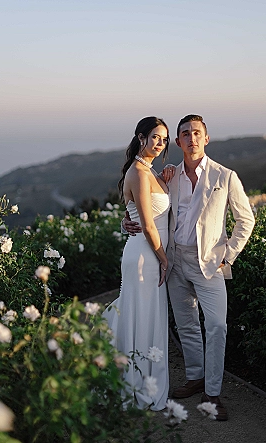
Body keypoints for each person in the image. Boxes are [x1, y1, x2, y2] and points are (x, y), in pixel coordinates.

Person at [124, 114, 255, 421]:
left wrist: (229, 255)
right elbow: (148, 211)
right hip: (173, 260)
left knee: (217, 326)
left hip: (209, 263)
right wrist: (125, 222)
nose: (191, 138)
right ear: (179, 141)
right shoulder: (168, 176)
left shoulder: (226, 176)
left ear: (205, 139)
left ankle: (213, 393)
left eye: (197, 133)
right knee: (186, 325)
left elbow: (245, 220)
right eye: (185, 134)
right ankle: (195, 377)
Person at [103, 116, 171, 411]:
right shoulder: (140, 173)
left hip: (148, 253)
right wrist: (164, 259)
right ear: (141, 137)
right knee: (139, 319)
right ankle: (133, 384)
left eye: (165, 139)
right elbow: (148, 225)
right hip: (146, 256)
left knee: (147, 318)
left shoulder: (150, 172)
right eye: (156, 137)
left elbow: (140, 214)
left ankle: (144, 379)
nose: (161, 143)